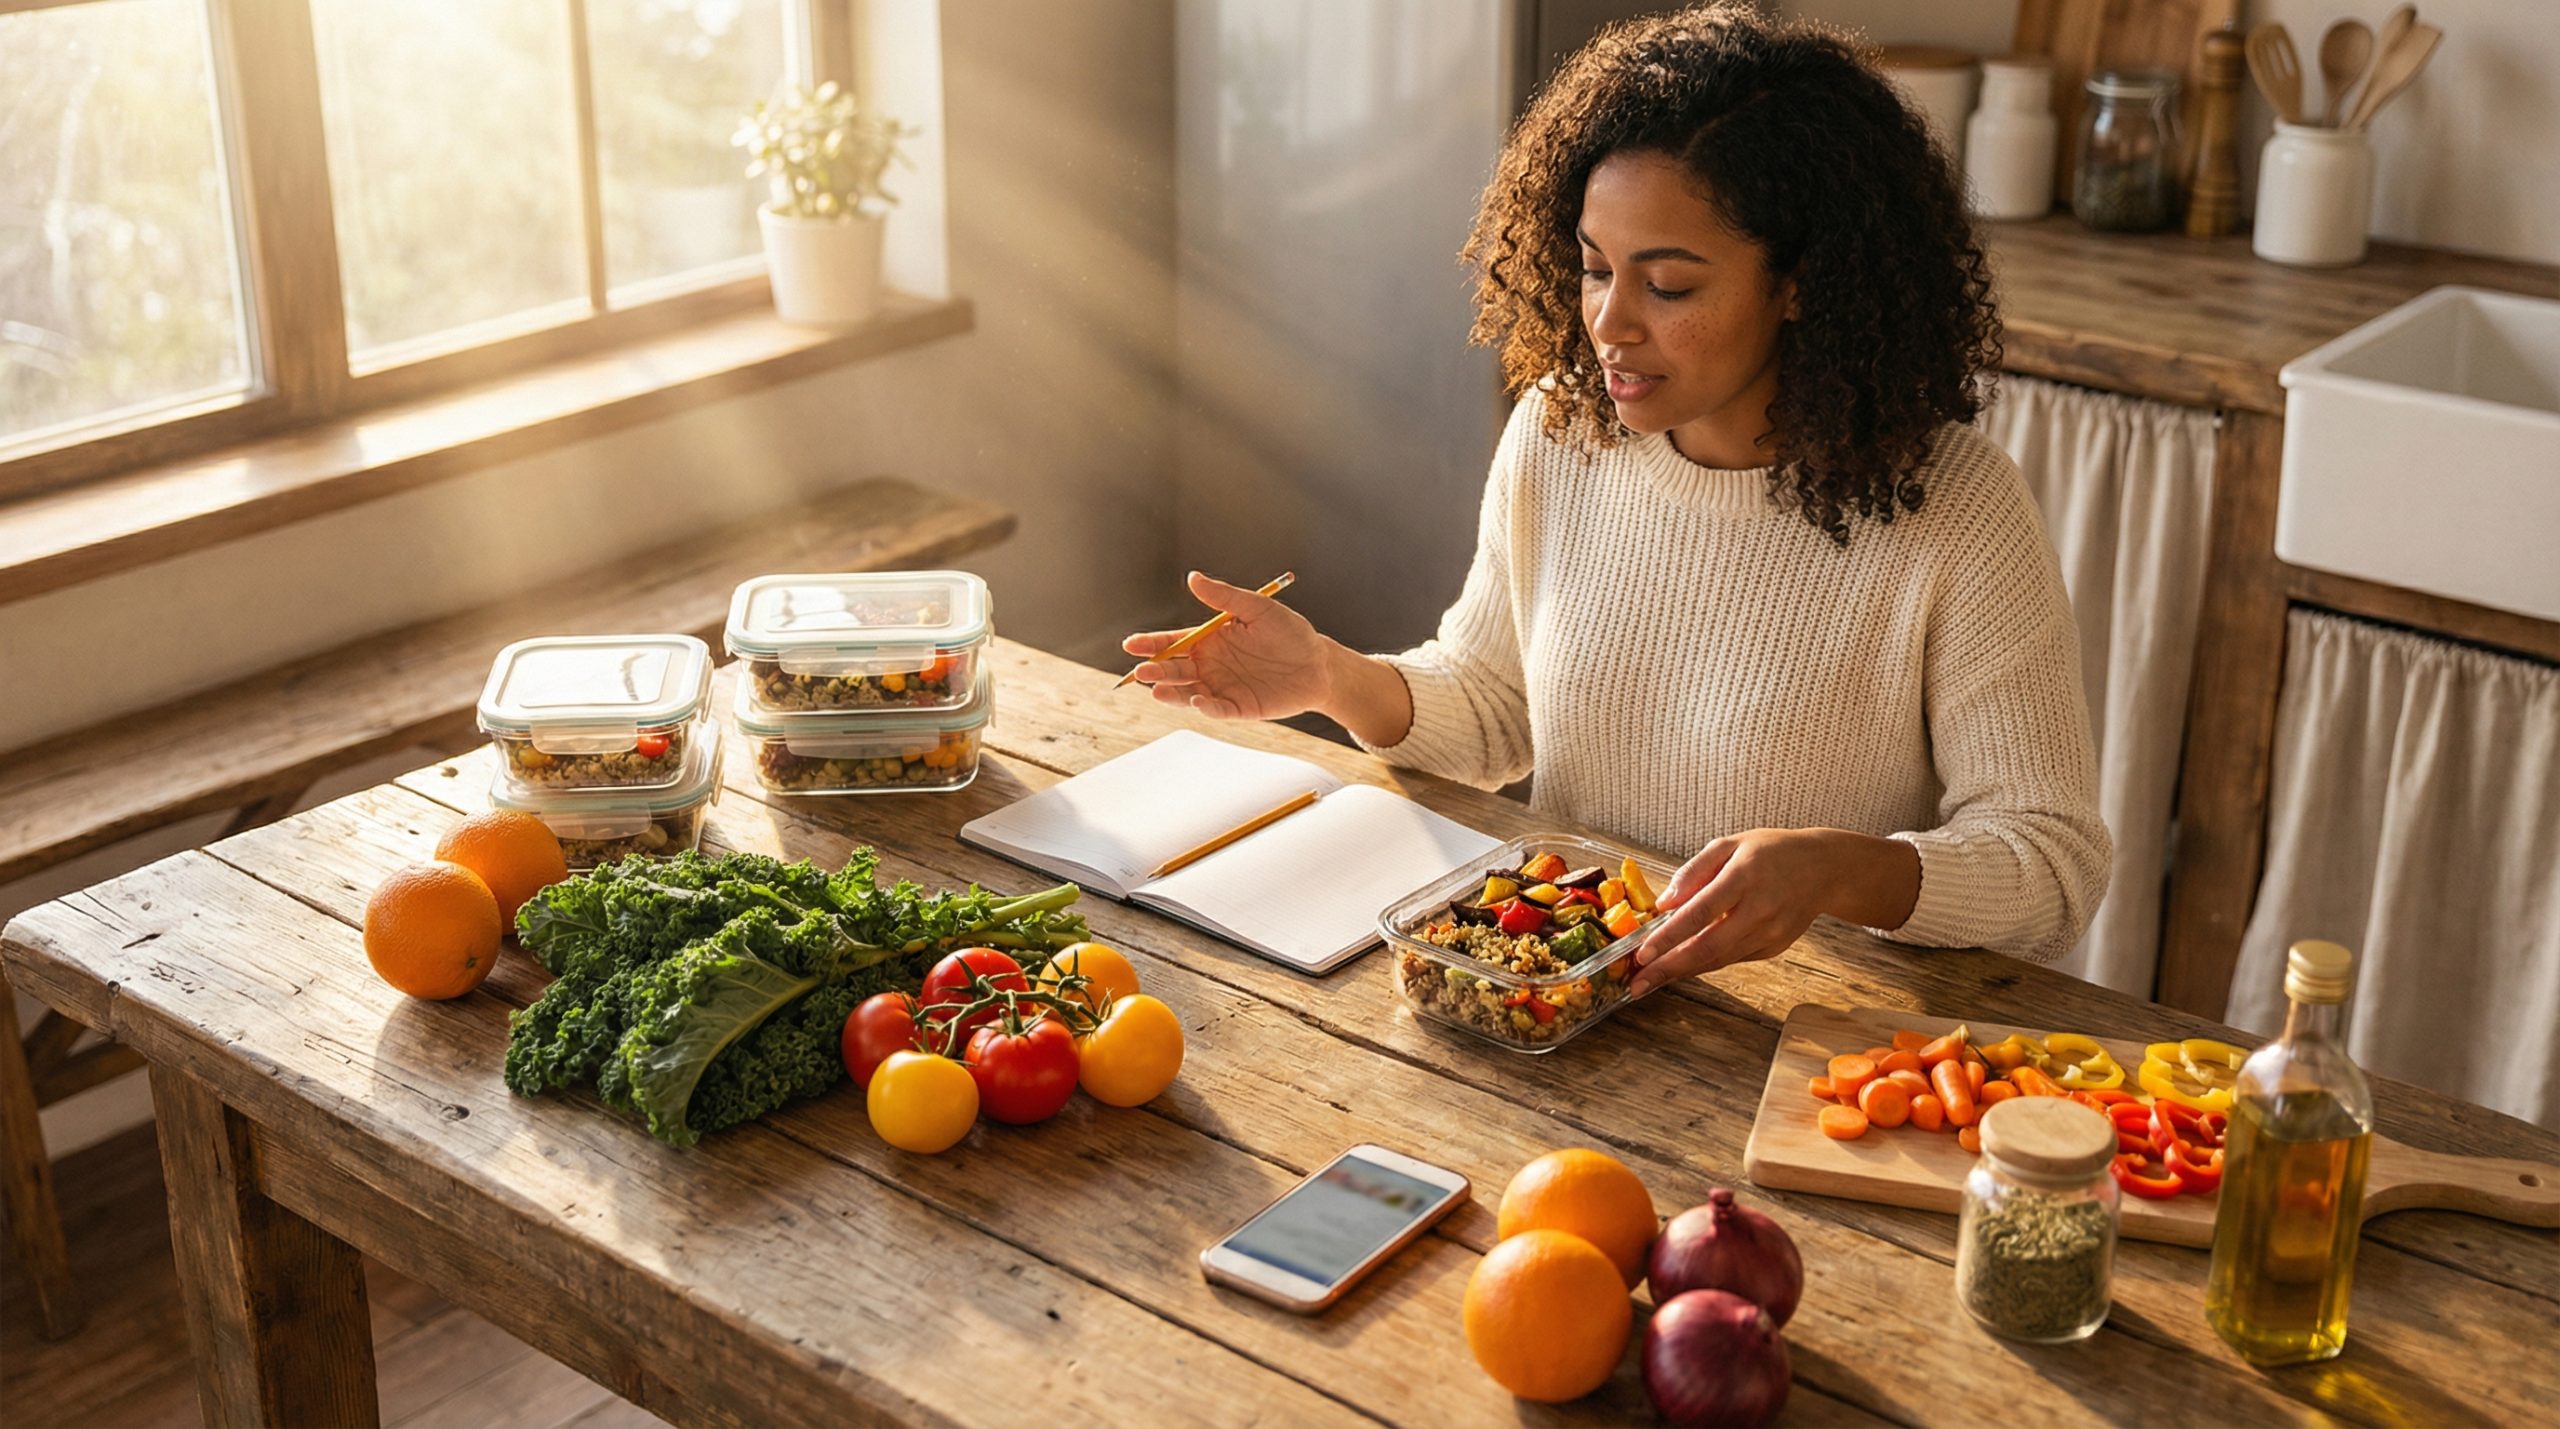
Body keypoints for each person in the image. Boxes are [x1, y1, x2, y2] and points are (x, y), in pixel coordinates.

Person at [1120, 3, 2109, 996]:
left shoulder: (1955, 506)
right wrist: (1331, 675)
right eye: (1594, 268)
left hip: (1814, 1034)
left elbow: (2050, 863)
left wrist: (1836, 870)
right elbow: (1494, 704)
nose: (1608, 323)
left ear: (1803, 285)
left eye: (1669, 286)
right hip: (1569, 992)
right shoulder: (1561, 430)